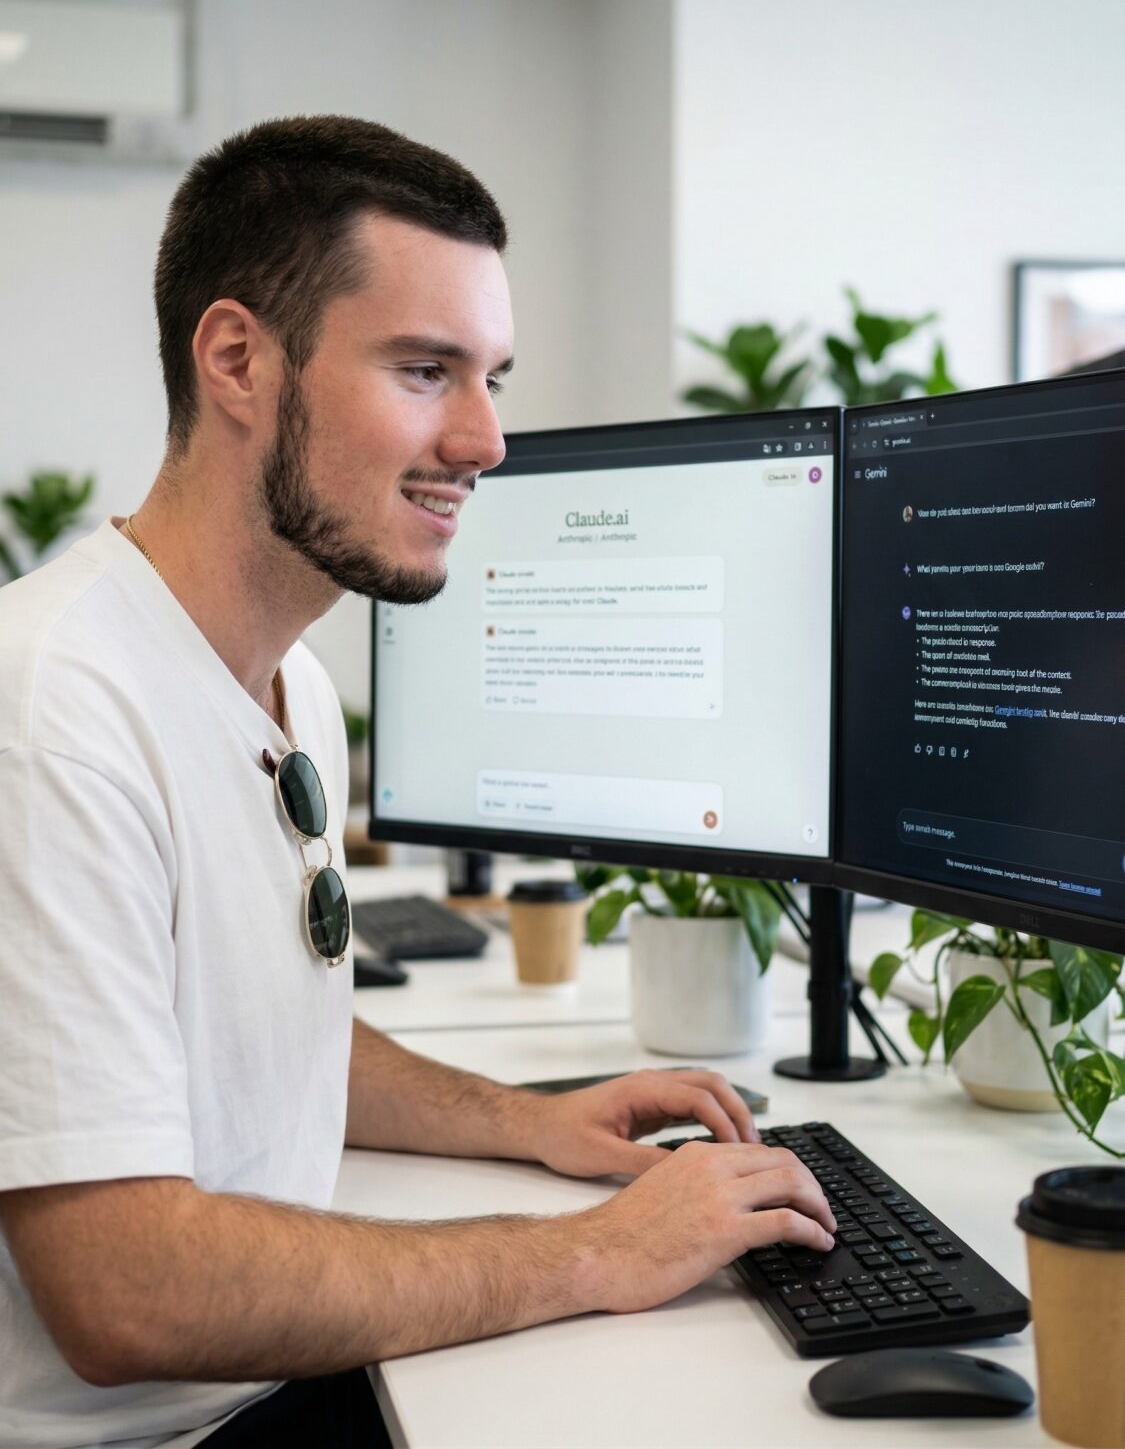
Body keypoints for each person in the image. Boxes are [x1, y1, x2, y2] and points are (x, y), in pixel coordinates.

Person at [0, 115, 835, 1449]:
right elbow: (126, 1292)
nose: (487, 440)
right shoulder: (53, 714)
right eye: (426, 370)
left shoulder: (287, 680)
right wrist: (594, 1251)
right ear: (237, 361)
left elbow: (261, 1024)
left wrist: (529, 1123)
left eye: (491, 377)